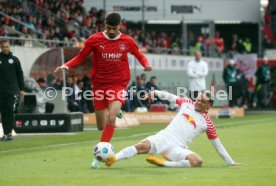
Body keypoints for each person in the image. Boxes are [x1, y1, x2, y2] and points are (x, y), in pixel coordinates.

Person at [54, 12, 152, 168]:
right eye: (109, 28)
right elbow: (81, 56)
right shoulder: (94, 39)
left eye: (114, 28)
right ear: (105, 24)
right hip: (99, 85)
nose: (112, 31)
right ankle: (114, 109)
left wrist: (145, 64)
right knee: (100, 125)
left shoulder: (127, 41)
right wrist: (66, 65)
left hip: (118, 84)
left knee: (111, 119)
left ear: (120, 25)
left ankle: (99, 155)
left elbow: (139, 55)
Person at [105, 90, 241, 168]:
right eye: (198, 99)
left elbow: (218, 145)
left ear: (209, 105)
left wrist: (231, 162)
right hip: (164, 137)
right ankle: (114, 158)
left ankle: (165, 163)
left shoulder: (208, 123)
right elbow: (169, 96)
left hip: (178, 148)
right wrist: (155, 92)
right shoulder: (187, 103)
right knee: (142, 146)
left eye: (202, 102)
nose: (198, 102)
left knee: (197, 161)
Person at [0, 40, 24, 141]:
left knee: (9, 110)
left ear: (9, 47)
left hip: (12, 90)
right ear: (1, 47)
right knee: (3, 112)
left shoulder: (15, 60)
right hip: (1, 91)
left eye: (7, 47)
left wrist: (22, 89)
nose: (5, 48)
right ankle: (5, 133)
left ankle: (8, 133)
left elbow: (20, 74)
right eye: (3, 47)